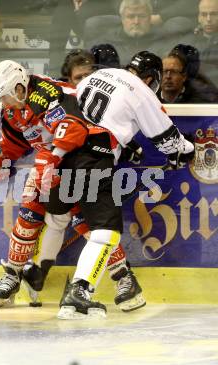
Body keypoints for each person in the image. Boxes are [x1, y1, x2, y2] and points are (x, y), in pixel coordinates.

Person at [40, 51, 194, 319]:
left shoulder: (97, 75)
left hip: (62, 154)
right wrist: (189, 150)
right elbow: (167, 139)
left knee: (62, 219)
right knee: (106, 232)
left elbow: (83, 114)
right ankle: (79, 293)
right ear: (151, 79)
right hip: (93, 158)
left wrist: (125, 142)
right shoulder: (141, 90)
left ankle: (52, 282)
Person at [0, 60, 145, 312]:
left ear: (19, 88)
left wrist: (51, 157)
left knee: (90, 222)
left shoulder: (49, 94)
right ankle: (18, 274)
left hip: (84, 156)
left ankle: (124, 278)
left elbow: (74, 128)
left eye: (5, 97)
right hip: (56, 160)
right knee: (32, 210)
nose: (3, 103)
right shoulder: (13, 108)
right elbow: (15, 140)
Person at [84, 0, 168, 65]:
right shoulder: (105, 43)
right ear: (122, 19)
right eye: (131, 16)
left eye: (142, 16)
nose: (136, 22)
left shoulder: (165, 41)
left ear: (150, 18)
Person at [180, 0, 218, 86]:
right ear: (199, 17)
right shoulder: (187, 42)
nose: (208, 19)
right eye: (204, 14)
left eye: (213, 14)